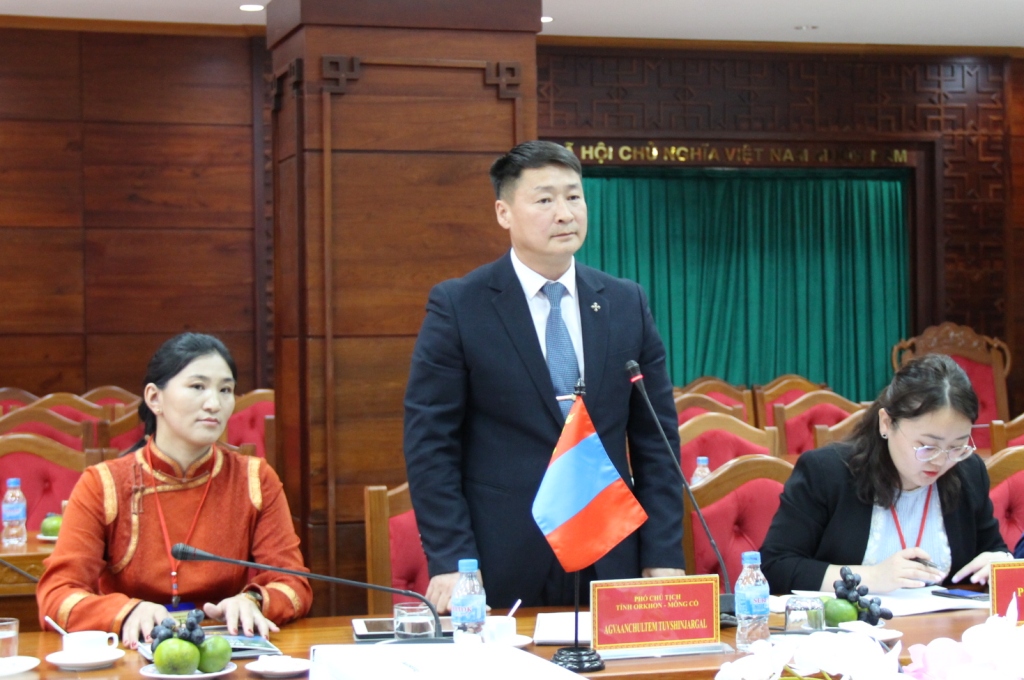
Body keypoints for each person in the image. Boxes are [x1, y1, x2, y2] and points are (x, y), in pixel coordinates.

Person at [403, 140, 685, 613]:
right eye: (545, 199)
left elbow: (657, 443)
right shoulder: (460, 306)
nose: (565, 213)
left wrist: (662, 554)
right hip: (503, 554)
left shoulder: (625, 303)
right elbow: (430, 444)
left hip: (610, 549)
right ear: (504, 213)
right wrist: (452, 560)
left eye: (574, 197)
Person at [37, 333, 312, 646]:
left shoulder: (255, 479)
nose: (214, 403)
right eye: (197, 387)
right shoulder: (103, 484)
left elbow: (294, 583)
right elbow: (56, 596)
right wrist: (125, 611)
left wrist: (253, 601)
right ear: (154, 398)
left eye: (225, 390)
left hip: (223, 647)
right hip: (132, 650)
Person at [761, 353, 1010, 594]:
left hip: (946, 622)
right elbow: (775, 567)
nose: (941, 461)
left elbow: (993, 550)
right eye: (927, 446)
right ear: (887, 423)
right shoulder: (826, 473)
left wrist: (999, 562)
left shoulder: (968, 472)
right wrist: (871, 577)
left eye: (957, 447)